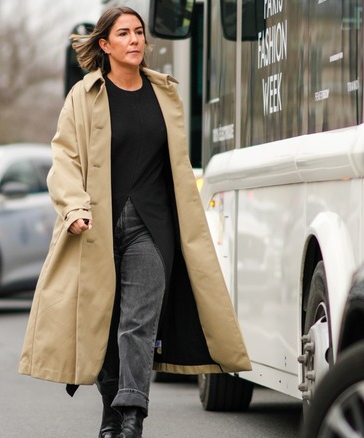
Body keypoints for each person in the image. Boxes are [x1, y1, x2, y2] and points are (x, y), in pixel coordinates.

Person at [18, 6, 251, 438]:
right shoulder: (84, 96)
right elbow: (64, 160)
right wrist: (74, 210)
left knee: (137, 324)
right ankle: (111, 414)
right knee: (105, 326)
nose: (135, 40)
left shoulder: (165, 94)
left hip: (153, 226)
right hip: (96, 229)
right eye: (123, 33)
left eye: (139, 32)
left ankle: (131, 417)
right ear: (104, 45)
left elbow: (176, 166)